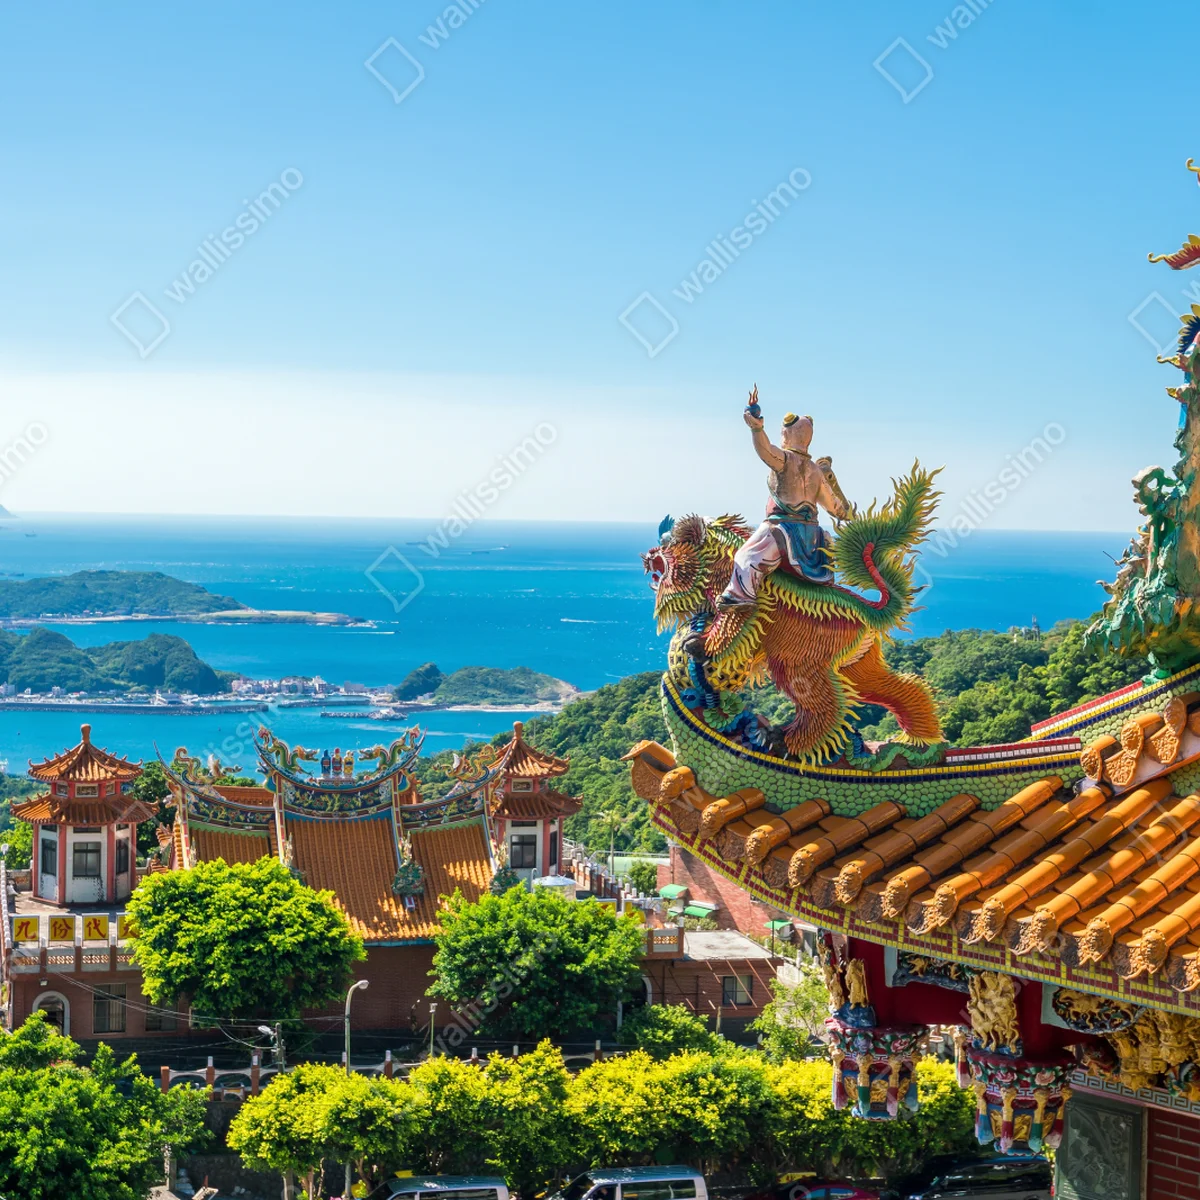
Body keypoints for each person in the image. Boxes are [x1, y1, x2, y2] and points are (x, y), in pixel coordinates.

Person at [717, 393, 852, 610]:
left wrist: (757, 428)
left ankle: (740, 597)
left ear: (788, 434)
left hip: (783, 530)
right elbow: (836, 507)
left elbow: (765, 450)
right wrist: (845, 511)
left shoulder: (786, 460)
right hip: (813, 540)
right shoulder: (816, 471)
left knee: (746, 557)